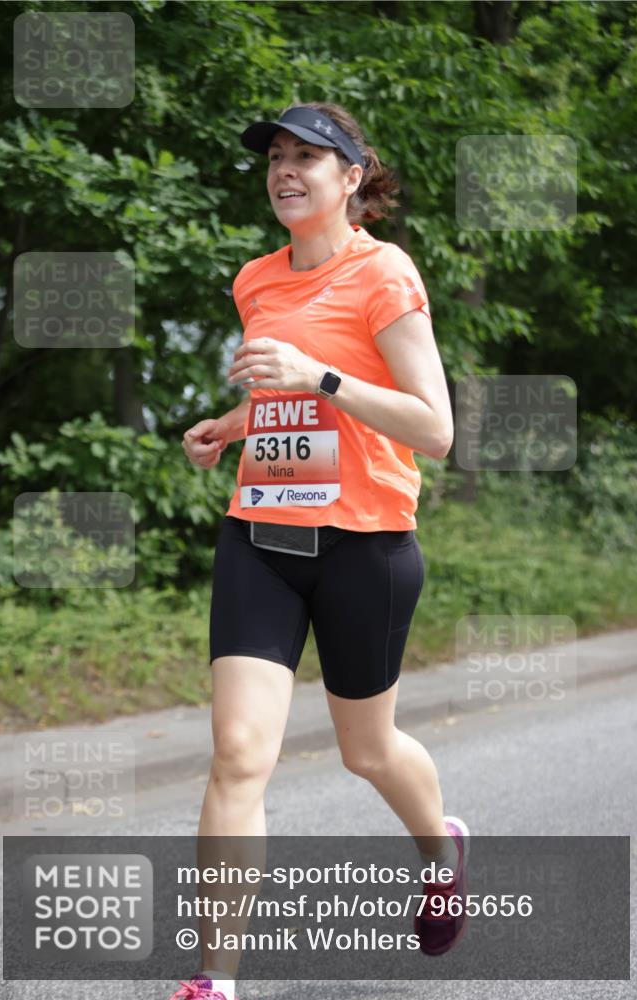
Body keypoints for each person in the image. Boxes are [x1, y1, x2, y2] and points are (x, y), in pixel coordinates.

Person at [175, 103, 469, 1000]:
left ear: (351, 178)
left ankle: (440, 851)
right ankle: (214, 980)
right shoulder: (255, 279)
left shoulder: (384, 274)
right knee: (237, 752)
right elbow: (286, 398)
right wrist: (233, 424)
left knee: (366, 751)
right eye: (275, 155)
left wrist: (321, 378)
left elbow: (434, 430)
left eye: (308, 155)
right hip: (261, 534)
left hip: (363, 545)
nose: (284, 169)